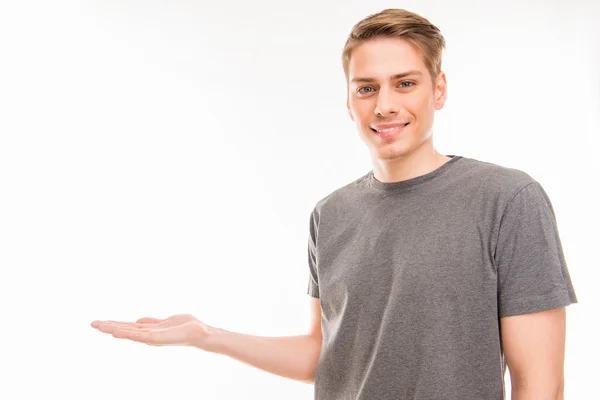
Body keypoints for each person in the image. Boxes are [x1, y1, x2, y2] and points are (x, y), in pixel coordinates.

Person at [91, 8, 578, 399]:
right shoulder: (331, 214)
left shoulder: (508, 200)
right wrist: (206, 336)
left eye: (405, 83)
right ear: (350, 103)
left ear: (439, 90)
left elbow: (540, 384)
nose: (384, 105)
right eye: (367, 88)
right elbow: (324, 356)